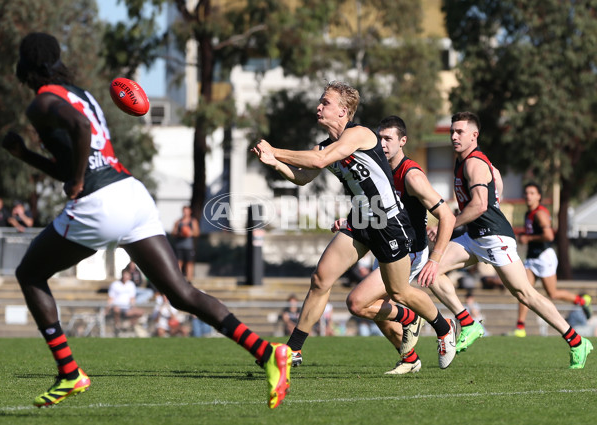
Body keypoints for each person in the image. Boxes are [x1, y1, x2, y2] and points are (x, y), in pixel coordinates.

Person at [2, 32, 290, 409]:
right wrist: (26, 156)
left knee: (29, 274)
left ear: (26, 65)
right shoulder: (81, 94)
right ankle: (268, 352)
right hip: (132, 194)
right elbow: (81, 153)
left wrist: (73, 181)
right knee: (181, 293)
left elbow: (80, 134)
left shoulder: (41, 103)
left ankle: (70, 372)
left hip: (100, 203)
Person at [252, 81, 457, 371]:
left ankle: (444, 327)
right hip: (361, 218)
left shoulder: (359, 134)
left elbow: (320, 160)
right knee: (320, 279)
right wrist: (273, 162)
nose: (319, 107)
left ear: (343, 111)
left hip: (388, 220)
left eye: (326, 102)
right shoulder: (324, 146)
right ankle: (293, 351)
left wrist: (276, 149)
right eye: (320, 102)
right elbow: (303, 177)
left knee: (398, 292)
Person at [424, 111, 592, 368]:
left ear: (474, 135)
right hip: (474, 236)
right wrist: (488, 205)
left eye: (460, 131)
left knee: (525, 294)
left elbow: (480, 205)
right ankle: (467, 323)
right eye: (452, 131)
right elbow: (497, 182)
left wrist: (449, 223)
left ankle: (577, 341)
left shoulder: (474, 163)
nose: (454, 136)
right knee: (431, 271)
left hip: (494, 237)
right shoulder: (465, 161)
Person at [343, 115, 456, 375]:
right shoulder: (376, 169)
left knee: (359, 303)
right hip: (385, 246)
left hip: (409, 251)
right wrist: (349, 221)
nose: (381, 144)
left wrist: (435, 259)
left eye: (388, 139)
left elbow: (447, 216)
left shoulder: (412, 175)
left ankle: (442, 326)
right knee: (376, 311)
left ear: (402, 141)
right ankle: (409, 357)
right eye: (379, 138)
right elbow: (374, 209)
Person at [511, 182, 591, 337]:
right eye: (526, 193)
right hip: (532, 258)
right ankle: (520, 327)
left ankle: (581, 301)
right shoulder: (528, 213)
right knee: (523, 289)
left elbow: (549, 236)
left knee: (552, 293)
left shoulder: (540, 213)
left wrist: (528, 238)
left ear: (539, 196)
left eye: (532, 193)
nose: (528, 196)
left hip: (543, 257)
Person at [106, 269, 145, 335]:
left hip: (127, 307)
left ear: (130, 276)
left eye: (127, 275)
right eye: (124, 275)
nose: (125, 277)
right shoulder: (115, 284)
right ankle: (117, 326)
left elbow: (132, 298)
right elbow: (111, 298)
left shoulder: (131, 285)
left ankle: (128, 325)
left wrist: (133, 307)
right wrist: (107, 308)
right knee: (116, 310)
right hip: (117, 306)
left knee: (140, 312)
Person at [171, 205, 200, 280]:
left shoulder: (193, 221)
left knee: (189, 263)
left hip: (188, 246)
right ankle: (178, 279)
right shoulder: (178, 222)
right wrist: (180, 233)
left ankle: (189, 280)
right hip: (179, 246)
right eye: (184, 211)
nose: (185, 213)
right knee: (179, 262)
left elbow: (197, 233)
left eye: (187, 211)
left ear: (190, 212)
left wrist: (190, 233)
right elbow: (173, 232)